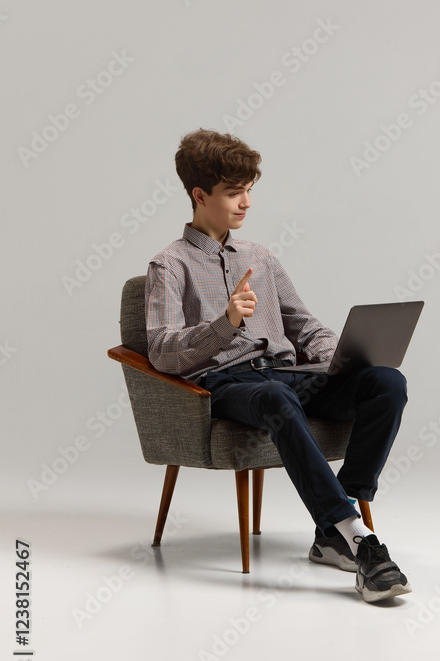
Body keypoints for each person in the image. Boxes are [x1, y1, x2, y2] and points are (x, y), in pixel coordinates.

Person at [145, 128, 411, 603]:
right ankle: (357, 538)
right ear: (200, 195)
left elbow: (304, 325)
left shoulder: (260, 257)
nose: (246, 202)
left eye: (249, 190)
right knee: (275, 395)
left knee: (387, 382)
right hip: (228, 384)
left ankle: (334, 527)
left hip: (289, 376)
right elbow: (162, 350)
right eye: (234, 192)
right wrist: (224, 324)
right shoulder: (170, 265)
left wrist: (342, 358)